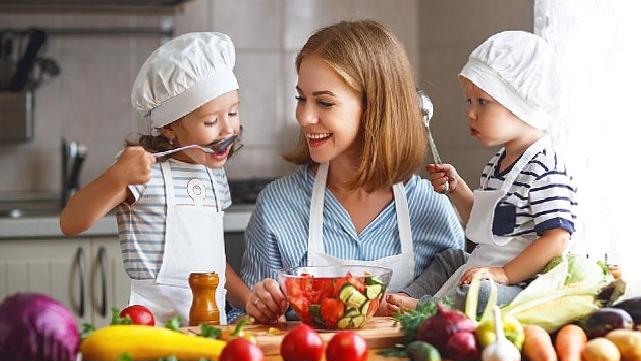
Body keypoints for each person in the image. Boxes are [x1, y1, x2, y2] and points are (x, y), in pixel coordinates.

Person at [240, 20, 465, 323]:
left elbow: (456, 320)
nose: (304, 116)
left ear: (375, 107)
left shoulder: (431, 208)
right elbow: (245, 328)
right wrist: (259, 308)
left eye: (324, 102)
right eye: (301, 98)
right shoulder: (277, 207)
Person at [59, 32, 249, 324]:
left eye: (233, 113)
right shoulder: (143, 173)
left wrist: (250, 301)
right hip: (151, 331)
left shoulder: (214, 176)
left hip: (211, 328)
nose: (228, 129)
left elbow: (214, 264)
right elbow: (70, 222)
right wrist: (116, 177)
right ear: (170, 127)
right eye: (211, 121)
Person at [386, 31, 578, 313]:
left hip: (521, 283)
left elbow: (557, 238)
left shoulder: (544, 169)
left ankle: (423, 308)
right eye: (469, 102)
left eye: (482, 102)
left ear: (518, 103)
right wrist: (457, 189)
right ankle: (401, 298)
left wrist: (505, 274)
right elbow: (486, 225)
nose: (470, 113)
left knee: (483, 292)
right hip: (489, 265)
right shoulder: (498, 164)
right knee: (451, 258)